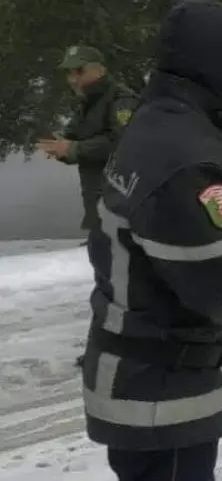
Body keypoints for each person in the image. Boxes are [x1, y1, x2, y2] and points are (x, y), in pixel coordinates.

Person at [80, 0, 222, 481]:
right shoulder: (191, 161)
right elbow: (220, 296)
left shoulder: (157, 123)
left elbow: (164, 245)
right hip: (160, 397)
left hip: (137, 382)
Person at [37, 45, 139, 369]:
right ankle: (110, 345)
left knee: (117, 279)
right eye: (69, 72)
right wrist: (62, 148)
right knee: (108, 277)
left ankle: (116, 347)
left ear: (99, 69)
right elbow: (77, 143)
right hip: (98, 204)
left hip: (119, 204)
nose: (72, 78)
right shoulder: (88, 105)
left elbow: (123, 145)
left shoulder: (121, 101)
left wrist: (76, 148)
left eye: (78, 71)